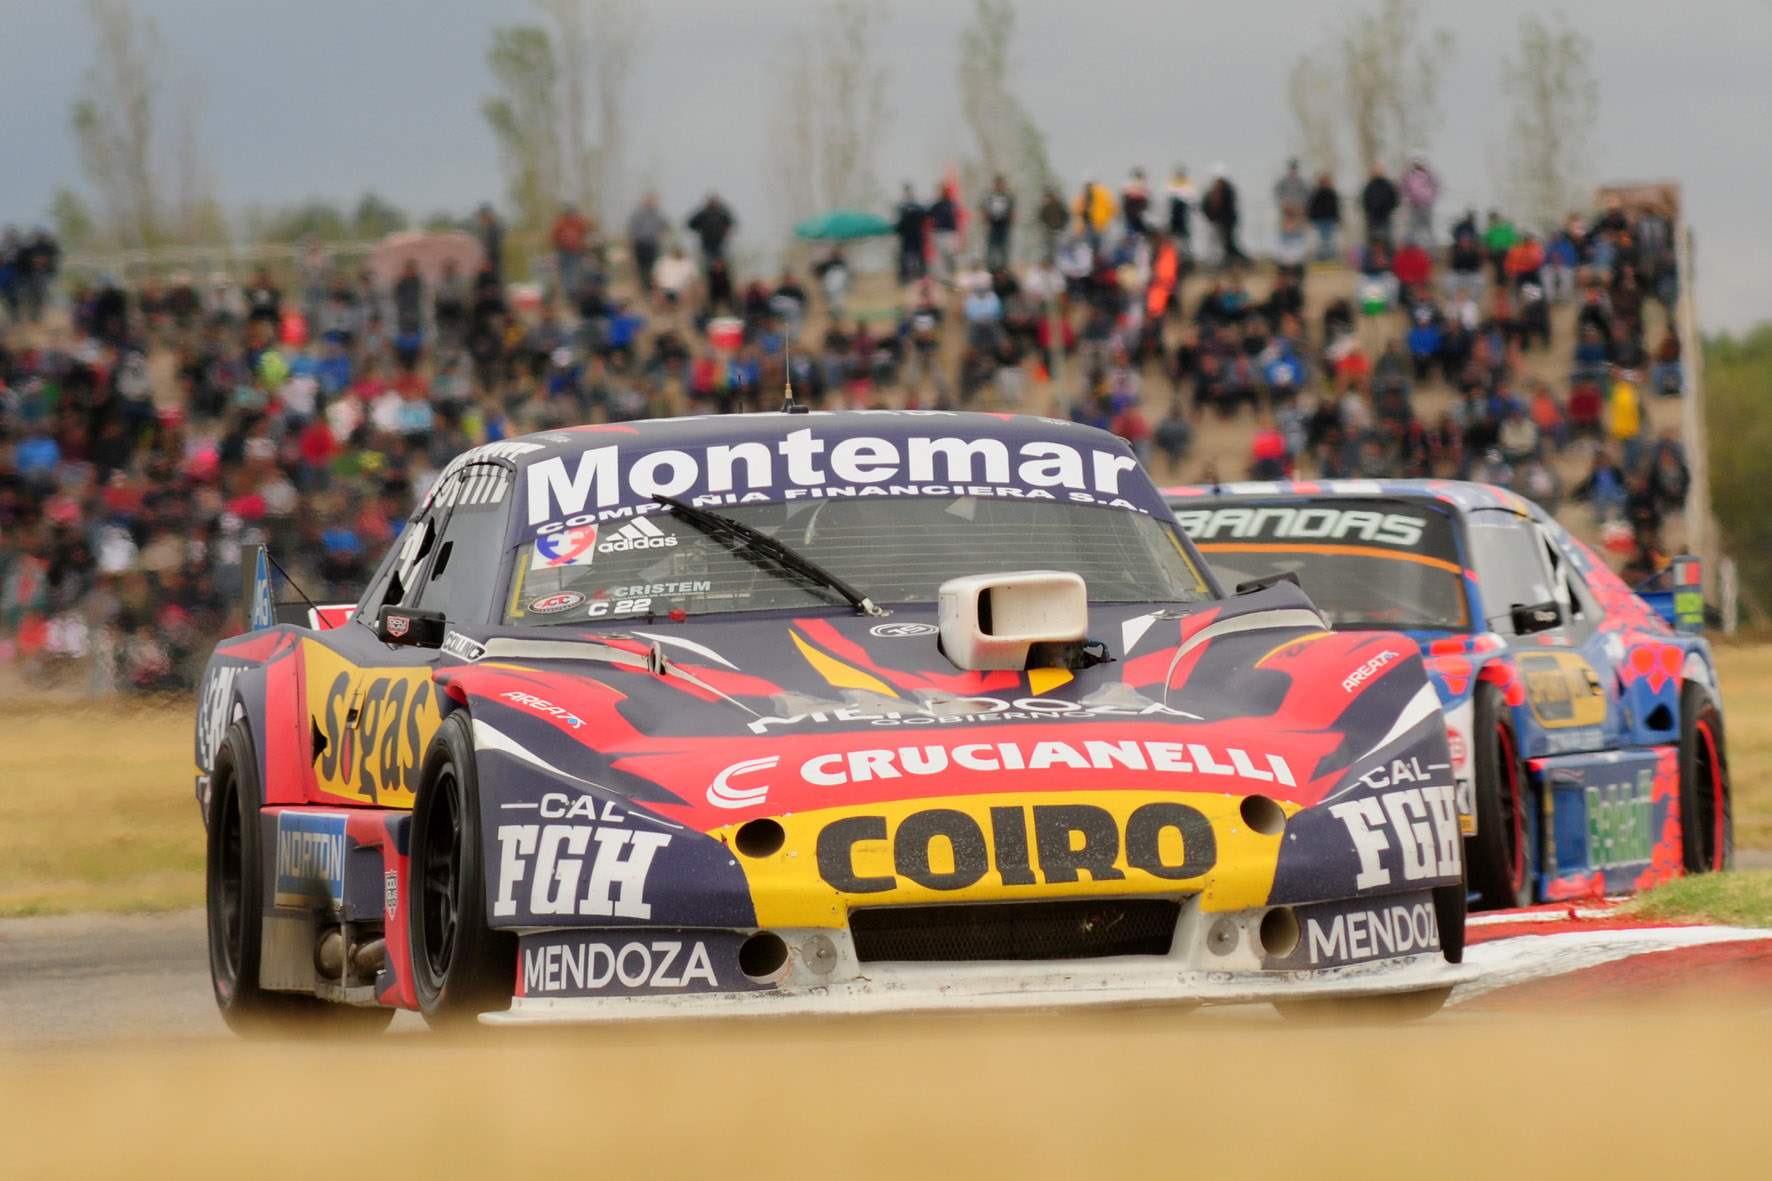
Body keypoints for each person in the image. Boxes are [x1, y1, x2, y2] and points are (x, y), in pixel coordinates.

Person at [1200, 166, 1245, 268]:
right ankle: (1217, 264)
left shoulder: (1228, 192)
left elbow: (1229, 208)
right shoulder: (1211, 193)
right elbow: (1205, 206)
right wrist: (1211, 218)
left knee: (1228, 243)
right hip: (1215, 222)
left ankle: (1234, 261)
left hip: (1226, 223)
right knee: (1215, 244)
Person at [627, 193, 669, 294]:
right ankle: (644, 288)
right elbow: (632, 231)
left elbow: (666, 227)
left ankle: (651, 288)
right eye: (648, 201)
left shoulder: (658, 215)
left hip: (652, 244)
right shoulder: (639, 215)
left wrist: (662, 236)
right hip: (641, 244)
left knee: (653, 267)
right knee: (641, 267)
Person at [550, 203, 593, 300]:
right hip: (566, 252)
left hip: (574, 252)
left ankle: (574, 294)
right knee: (570, 273)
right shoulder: (562, 224)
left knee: (573, 273)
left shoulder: (576, 223)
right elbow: (554, 237)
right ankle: (571, 294)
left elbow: (587, 230)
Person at [686, 193, 737, 267]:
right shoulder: (702, 215)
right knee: (709, 263)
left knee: (723, 262)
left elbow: (731, 222)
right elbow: (691, 224)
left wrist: (726, 231)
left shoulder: (722, 213)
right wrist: (700, 230)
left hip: (720, 242)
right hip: (707, 244)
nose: (713, 205)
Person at [1400, 155, 1441, 245]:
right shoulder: (1409, 175)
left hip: (1427, 206)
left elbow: (1437, 186)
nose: (1419, 166)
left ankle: (1432, 249)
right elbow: (1404, 189)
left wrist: (1430, 198)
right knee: (1414, 229)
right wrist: (1407, 199)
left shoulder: (1430, 174)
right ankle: (1414, 248)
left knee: (1429, 229)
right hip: (1414, 206)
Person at [894, 184, 928, 284]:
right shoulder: (903, 205)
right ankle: (905, 277)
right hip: (908, 235)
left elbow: (924, 215)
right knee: (905, 257)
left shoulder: (915, 205)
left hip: (915, 234)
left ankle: (922, 275)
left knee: (918, 256)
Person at [980, 175, 1015, 270]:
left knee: (1004, 249)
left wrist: (1011, 222)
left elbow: (1012, 212)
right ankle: (990, 268)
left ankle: (1004, 269)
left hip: (1004, 226)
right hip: (993, 226)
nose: (999, 186)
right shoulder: (990, 197)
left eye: (1001, 184)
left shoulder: (1008, 197)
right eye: (997, 184)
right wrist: (985, 222)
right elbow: (984, 210)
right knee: (991, 248)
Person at [1361, 162, 1399, 245]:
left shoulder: (1388, 185)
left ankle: (1388, 251)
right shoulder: (1370, 185)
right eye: (1376, 170)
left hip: (1385, 215)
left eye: (1379, 170)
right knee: (1372, 237)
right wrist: (1368, 211)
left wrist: (1390, 209)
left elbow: (1394, 198)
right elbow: (1365, 200)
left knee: (1387, 236)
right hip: (1372, 216)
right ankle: (1372, 251)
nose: (1377, 172)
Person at [1307, 173, 1340, 261]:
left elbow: (1335, 207)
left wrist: (1337, 218)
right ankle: (1321, 258)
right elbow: (1312, 207)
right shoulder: (1316, 194)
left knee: (1329, 240)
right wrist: (1312, 218)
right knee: (1320, 241)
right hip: (1320, 220)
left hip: (1330, 220)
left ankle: (1330, 257)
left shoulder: (1332, 193)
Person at [1165, 165, 1196, 257]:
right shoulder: (1171, 184)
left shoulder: (1189, 184)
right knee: (1173, 238)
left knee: (1186, 239)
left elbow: (1193, 200)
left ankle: (1187, 256)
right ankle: (1172, 255)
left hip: (1185, 219)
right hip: (1174, 218)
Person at [1274, 159, 1309, 230]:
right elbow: (1277, 191)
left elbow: (1307, 193)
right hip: (1287, 208)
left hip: (1298, 208)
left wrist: (1302, 205)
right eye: (1292, 167)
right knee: (1286, 227)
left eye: (1294, 168)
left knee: (1299, 227)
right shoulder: (1284, 181)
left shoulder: (1301, 181)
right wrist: (1284, 202)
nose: (1293, 170)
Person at [1037, 186, 1068, 261]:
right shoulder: (1045, 206)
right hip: (1049, 229)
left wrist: (1062, 225)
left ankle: (1059, 261)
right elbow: (1041, 217)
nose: (1050, 198)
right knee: (1049, 247)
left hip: (1059, 229)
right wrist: (1045, 225)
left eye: (1051, 196)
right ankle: (1050, 261)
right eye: (1049, 196)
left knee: (1059, 246)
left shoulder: (1060, 205)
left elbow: (1066, 216)